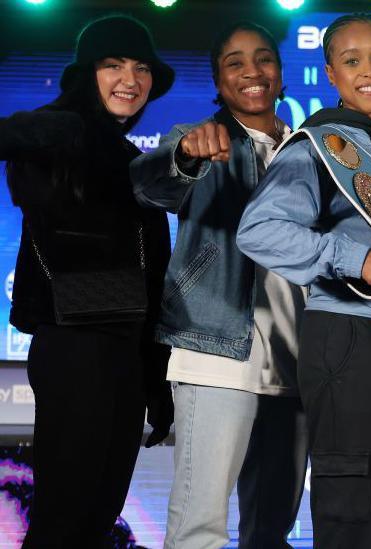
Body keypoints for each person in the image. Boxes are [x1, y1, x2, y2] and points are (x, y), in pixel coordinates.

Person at [237, 13, 371, 548]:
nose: (369, 70)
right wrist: (355, 259)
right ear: (331, 73)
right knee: (354, 517)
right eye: (352, 60)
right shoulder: (318, 145)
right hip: (350, 340)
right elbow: (258, 230)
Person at [129, 22, 308, 549]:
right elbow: (149, 182)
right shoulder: (199, 139)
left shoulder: (310, 150)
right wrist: (185, 156)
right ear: (218, 80)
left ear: (280, 72)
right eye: (235, 62)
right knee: (199, 530)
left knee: (270, 530)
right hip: (217, 356)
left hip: (298, 363)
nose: (252, 71)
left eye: (263, 59)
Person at [0, 15, 174, 547]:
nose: (131, 78)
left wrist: (155, 380)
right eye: (113, 65)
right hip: (75, 347)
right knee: (62, 520)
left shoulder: (128, 157)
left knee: (98, 518)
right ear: (85, 75)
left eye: (140, 67)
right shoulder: (59, 133)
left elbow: (151, 277)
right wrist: (63, 122)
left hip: (124, 354)